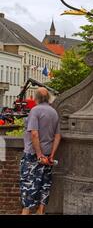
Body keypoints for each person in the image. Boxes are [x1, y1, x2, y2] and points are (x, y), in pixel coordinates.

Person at [20, 87, 61, 215]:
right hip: (48, 156)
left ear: (36, 98)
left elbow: (34, 134)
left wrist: (39, 155)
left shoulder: (35, 111)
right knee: (44, 184)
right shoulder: (54, 112)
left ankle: (26, 212)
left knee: (28, 184)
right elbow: (57, 136)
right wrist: (51, 155)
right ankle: (40, 211)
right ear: (48, 98)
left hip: (33, 155)